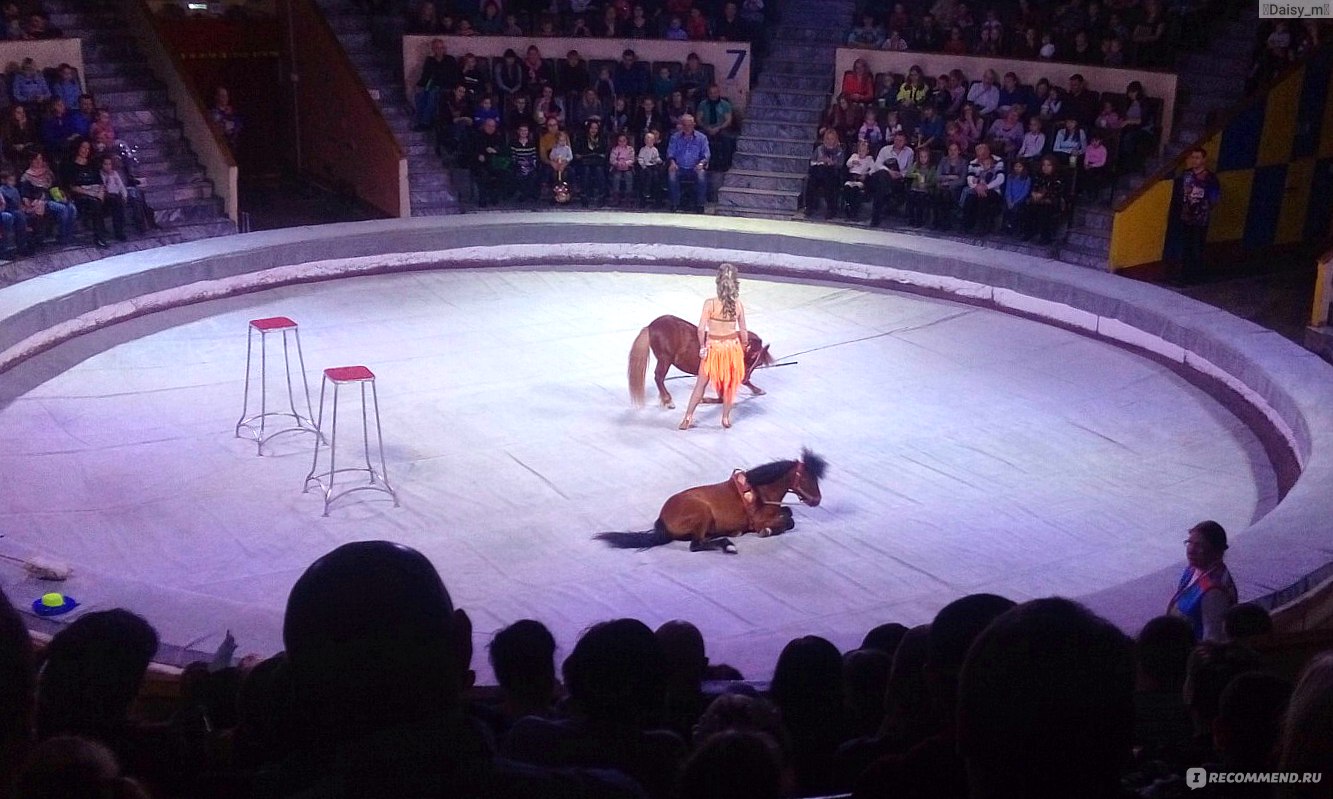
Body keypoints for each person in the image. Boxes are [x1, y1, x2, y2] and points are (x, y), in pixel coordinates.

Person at [679, 263, 748, 430]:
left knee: (701, 384)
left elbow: (701, 328)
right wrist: (744, 348)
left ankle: (688, 417)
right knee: (730, 385)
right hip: (732, 349)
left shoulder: (709, 304)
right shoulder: (738, 305)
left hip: (713, 348)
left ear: (718, 282)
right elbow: (743, 330)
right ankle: (725, 418)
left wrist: (702, 346)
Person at [1168, 520, 1238, 642]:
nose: (1191, 550)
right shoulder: (1192, 570)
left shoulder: (1215, 593)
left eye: (1199, 546)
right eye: (1189, 543)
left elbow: (1212, 641)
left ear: (1216, 551)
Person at [1175, 146, 1221, 284]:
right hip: (1186, 216)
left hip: (1201, 218)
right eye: (1193, 158)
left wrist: (1205, 208)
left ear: (1204, 159)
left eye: (1198, 158)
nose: (1195, 161)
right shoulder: (1186, 174)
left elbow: (1214, 198)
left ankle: (1196, 275)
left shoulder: (1210, 178)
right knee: (1186, 246)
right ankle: (1184, 275)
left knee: (1198, 246)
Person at [667, 114, 709, 212]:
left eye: (690, 125)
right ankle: (674, 204)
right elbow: (670, 152)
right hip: (679, 166)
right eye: (685, 125)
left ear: (694, 124)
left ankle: (700, 205)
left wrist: (701, 164)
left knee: (701, 175)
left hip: (695, 167)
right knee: (672, 174)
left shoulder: (702, 138)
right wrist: (672, 163)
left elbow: (706, 154)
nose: (687, 128)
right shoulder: (675, 137)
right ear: (681, 125)